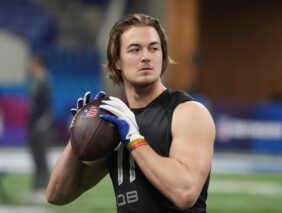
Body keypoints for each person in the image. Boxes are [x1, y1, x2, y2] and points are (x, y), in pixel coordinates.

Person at [47, 14, 215, 212]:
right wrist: (78, 136)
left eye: (153, 48)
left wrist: (134, 139)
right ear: (117, 61)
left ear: (162, 55)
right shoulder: (112, 123)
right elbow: (57, 195)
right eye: (135, 49)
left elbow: (185, 193)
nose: (146, 56)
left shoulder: (188, 112)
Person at [27, 55, 53, 202]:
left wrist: (42, 124)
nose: (30, 66)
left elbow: (47, 107)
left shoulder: (45, 81)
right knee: (35, 157)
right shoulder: (35, 81)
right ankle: (36, 188)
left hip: (41, 126)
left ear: (39, 64)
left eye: (33, 63)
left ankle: (44, 189)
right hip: (33, 124)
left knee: (42, 157)